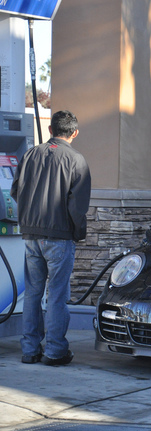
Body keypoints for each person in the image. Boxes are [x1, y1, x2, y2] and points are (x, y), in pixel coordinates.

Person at [10, 110, 91, 366]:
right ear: (75, 132)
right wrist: (78, 233)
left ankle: (30, 350)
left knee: (33, 292)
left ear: (50, 130)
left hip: (31, 236)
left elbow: (15, 191)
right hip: (59, 238)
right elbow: (77, 207)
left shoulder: (30, 154)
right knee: (56, 294)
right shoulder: (77, 160)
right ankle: (55, 351)